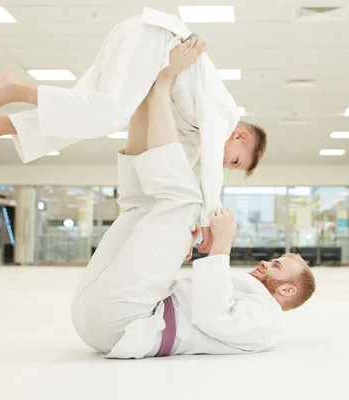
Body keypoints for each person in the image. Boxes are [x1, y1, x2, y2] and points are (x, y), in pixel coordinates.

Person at [69, 43, 316, 358]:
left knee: (182, 200)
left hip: (123, 324)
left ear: (287, 290)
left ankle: (161, 86)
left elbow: (211, 315)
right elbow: (201, 297)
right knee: (141, 206)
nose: (267, 262)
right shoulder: (251, 299)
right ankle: (146, 94)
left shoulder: (269, 325)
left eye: (277, 266)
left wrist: (221, 243)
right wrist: (174, 241)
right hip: (103, 316)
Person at [0, 7, 267, 253]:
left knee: (82, 119)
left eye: (232, 166)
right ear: (241, 136)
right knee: (111, 113)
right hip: (153, 39)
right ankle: (13, 88)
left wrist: (188, 224)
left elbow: (174, 176)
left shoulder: (196, 134)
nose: (226, 164)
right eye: (236, 160)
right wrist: (210, 222)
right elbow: (212, 173)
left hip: (142, 49)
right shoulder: (225, 114)